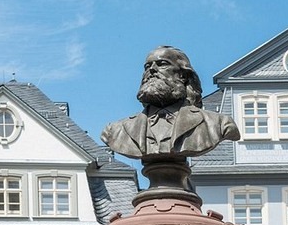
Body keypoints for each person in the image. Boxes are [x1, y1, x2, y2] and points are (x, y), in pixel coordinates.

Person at [100, 46, 240, 161]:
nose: (151, 70)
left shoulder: (217, 124)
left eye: (162, 64)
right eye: (147, 66)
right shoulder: (115, 130)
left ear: (183, 75)